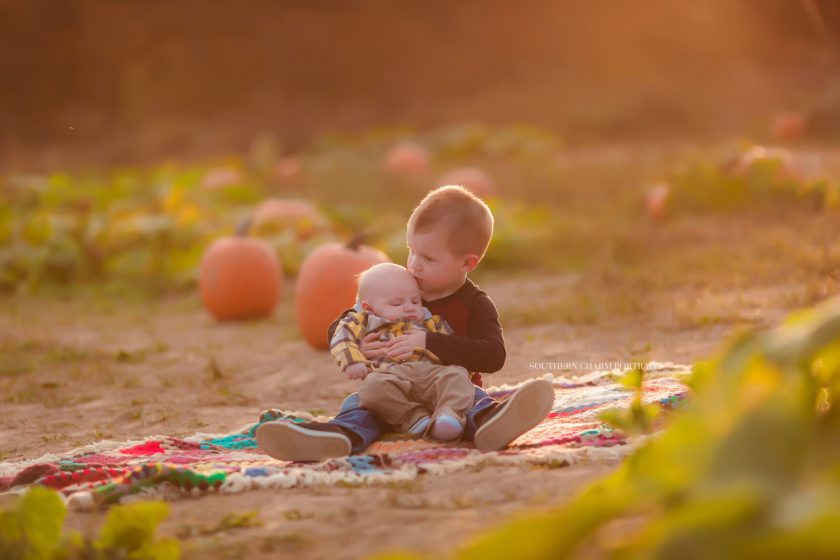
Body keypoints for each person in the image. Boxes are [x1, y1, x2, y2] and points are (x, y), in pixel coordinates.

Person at [256, 185, 554, 461]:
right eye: (411, 250)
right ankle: (339, 437)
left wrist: (429, 342)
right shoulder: (400, 285)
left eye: (427, 257)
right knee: (360, 405)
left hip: (450, 396)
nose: (413, 264)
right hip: (392, 393)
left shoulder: (475, 304)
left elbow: (492, 356)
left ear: (466, 263)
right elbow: (349, 320)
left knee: (472, 397)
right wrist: (360, 345)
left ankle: (490, 423)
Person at [331, 262, 476, 441]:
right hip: (389, 377)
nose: (409, 307)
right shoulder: (364, 321)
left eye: (415, 301)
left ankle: (448, 417)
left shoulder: (432, 322)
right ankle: (414, 419)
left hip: (430, 375)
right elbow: (341, 337)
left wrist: (455, 365)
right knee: (370, 389)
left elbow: (452, 348)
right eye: (397, 303)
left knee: (457, 376)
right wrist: (353, 360)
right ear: (368, 308)